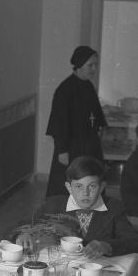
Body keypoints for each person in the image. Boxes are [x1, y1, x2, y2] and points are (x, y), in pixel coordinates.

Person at [11, 156, 138, 259]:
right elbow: (16, 228)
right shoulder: (52, 205)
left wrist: (107, 246)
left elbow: (137, 242)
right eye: (79, 186)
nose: (85, 193)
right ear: (69, 187)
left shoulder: (114, 209)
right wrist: (21, 235)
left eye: (92, 186)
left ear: (102, 187)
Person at [45, 46, 107, 197]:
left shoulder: (88, 86)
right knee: (69, 189)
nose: (94, 69)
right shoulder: (64, 90)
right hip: (72, 148)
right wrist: (62, 150)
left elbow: (95, 116)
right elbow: (59, 123)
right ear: (79, 65)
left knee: (92, 185)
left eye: (96, 65)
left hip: (90, 146)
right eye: (90, 65)